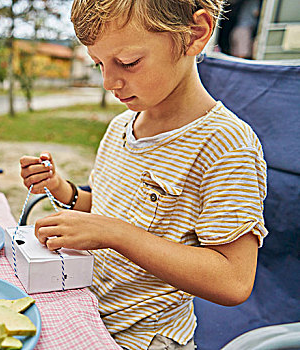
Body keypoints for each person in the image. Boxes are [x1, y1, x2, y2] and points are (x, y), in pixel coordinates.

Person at [19, 1, 267, 349]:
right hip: (87, 310)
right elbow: (111, 209)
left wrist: (115, 234)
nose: (108, 81)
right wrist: (62, 190)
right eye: (99, 63)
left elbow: (233, 281)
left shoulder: (226, 145)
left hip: (143, 339)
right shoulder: (122, 126)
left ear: (196, 33)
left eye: (128, 62)